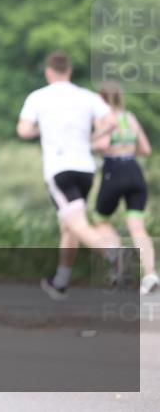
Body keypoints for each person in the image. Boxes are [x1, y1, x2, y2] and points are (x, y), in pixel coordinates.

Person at [17, 51, 118, 300]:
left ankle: (114, 254)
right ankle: (61, 280)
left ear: (49, 72)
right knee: (68, 225)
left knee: (77, 223)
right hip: (85, 168)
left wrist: (45, 128)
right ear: (69, 71)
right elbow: (112, 120)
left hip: (59, 168)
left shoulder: (38, 97)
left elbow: (23, 130)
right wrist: (91, 137)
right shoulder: (86, 96)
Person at [91, 82, 158, 295]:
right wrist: (127, 148)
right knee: (137, 227)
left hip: (114, 171)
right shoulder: (130, 117)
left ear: (101, 97)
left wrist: (87, 142)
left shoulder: (104, 118)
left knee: (100, 219)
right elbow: (145, 149)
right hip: (134, 170)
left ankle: (119, 261)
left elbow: (102, 145)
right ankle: (150, 274)